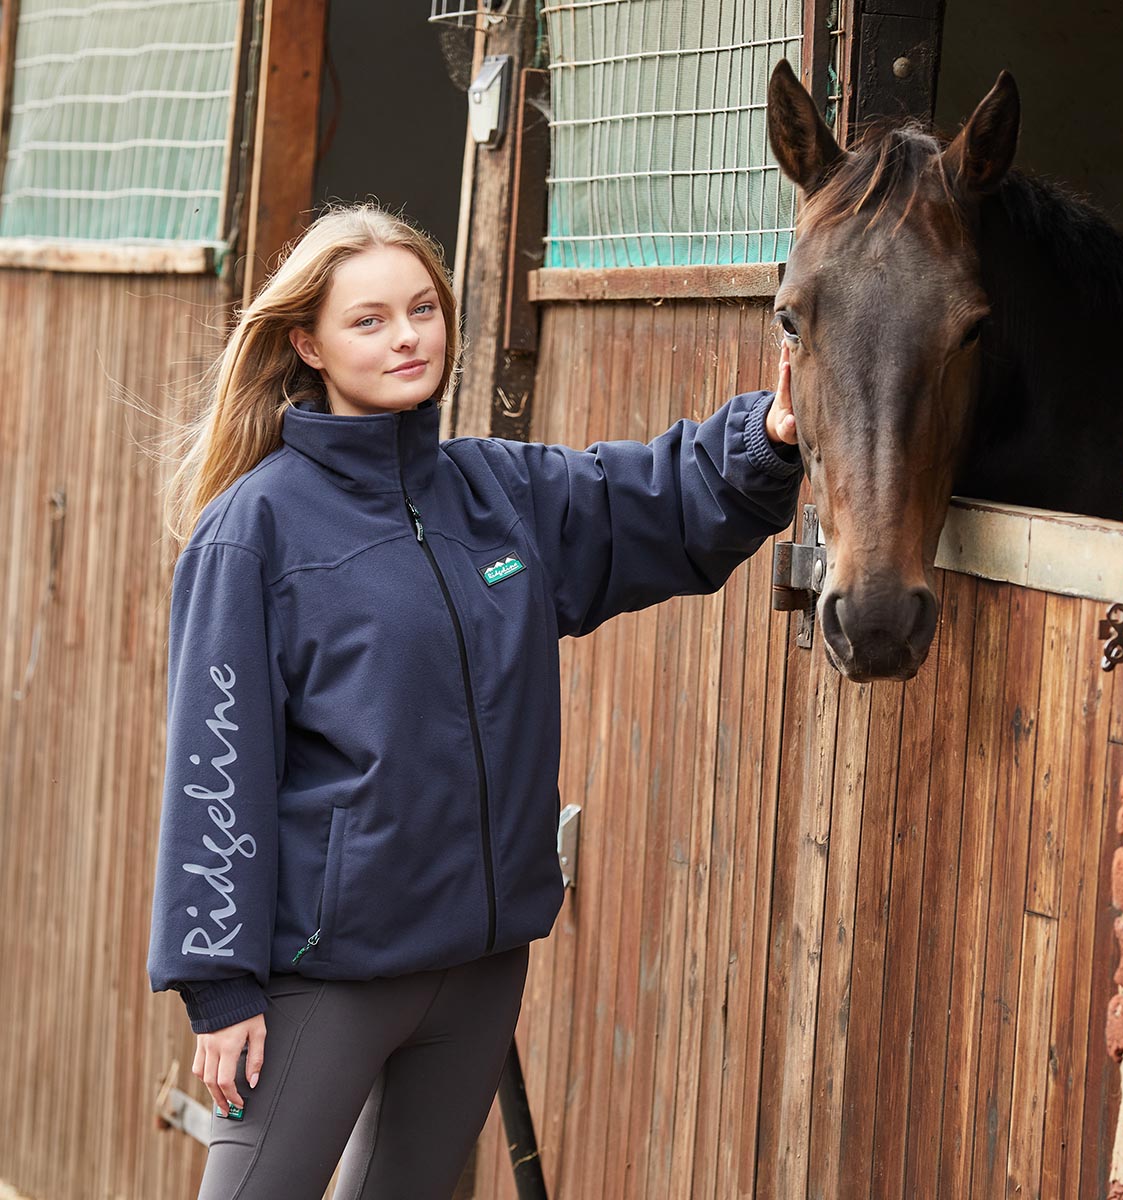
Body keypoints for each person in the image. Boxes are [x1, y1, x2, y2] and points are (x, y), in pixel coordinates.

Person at [146, 202, 803, 1199]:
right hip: (329, 977)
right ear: (306, 342)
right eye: (368, 319)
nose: (407, 336)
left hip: (480, 965)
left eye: (422, 309)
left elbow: (654, 505)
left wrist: (772, 434)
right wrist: (219, 983)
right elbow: (215, 765)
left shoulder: (497, 492)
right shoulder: (256, 530)